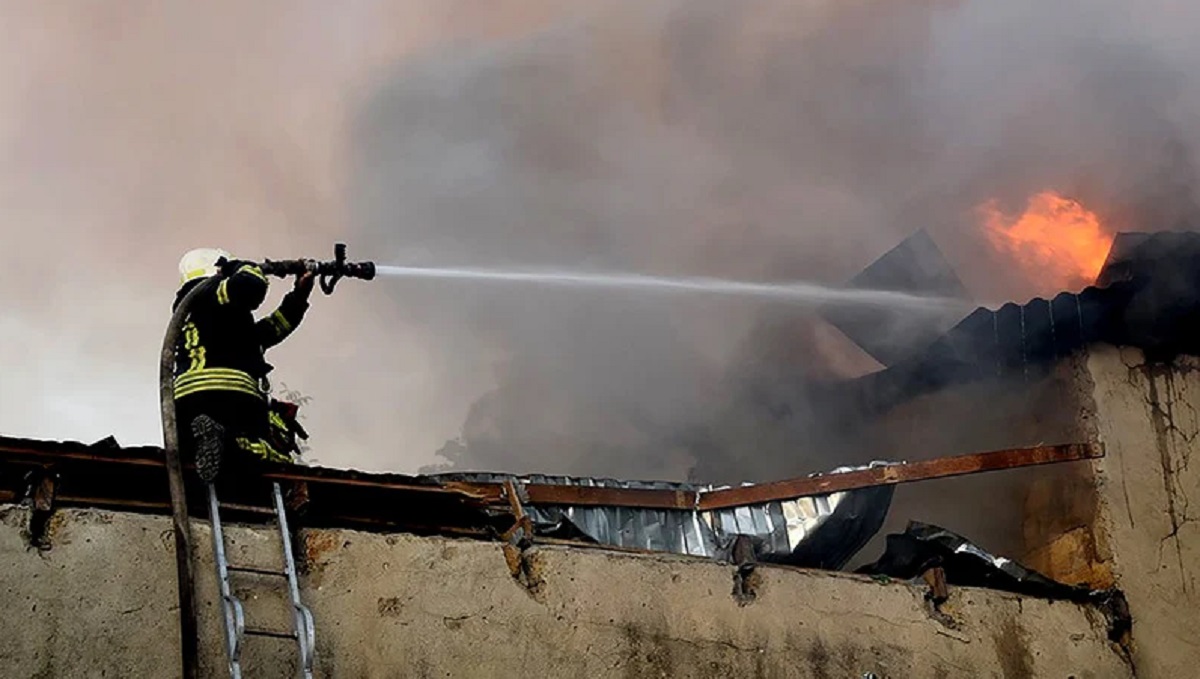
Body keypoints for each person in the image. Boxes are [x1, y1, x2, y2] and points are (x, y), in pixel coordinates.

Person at [172, 248, 314, 482]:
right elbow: (250, 286)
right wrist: (237, 266)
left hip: (187, 398)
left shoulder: (204, 313)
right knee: (274, 457)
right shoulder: (210, 291)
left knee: (201, 451)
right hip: (229, 390)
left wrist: (299, 295)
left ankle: (217, 441)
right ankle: (231, 443)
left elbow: (271, 330)